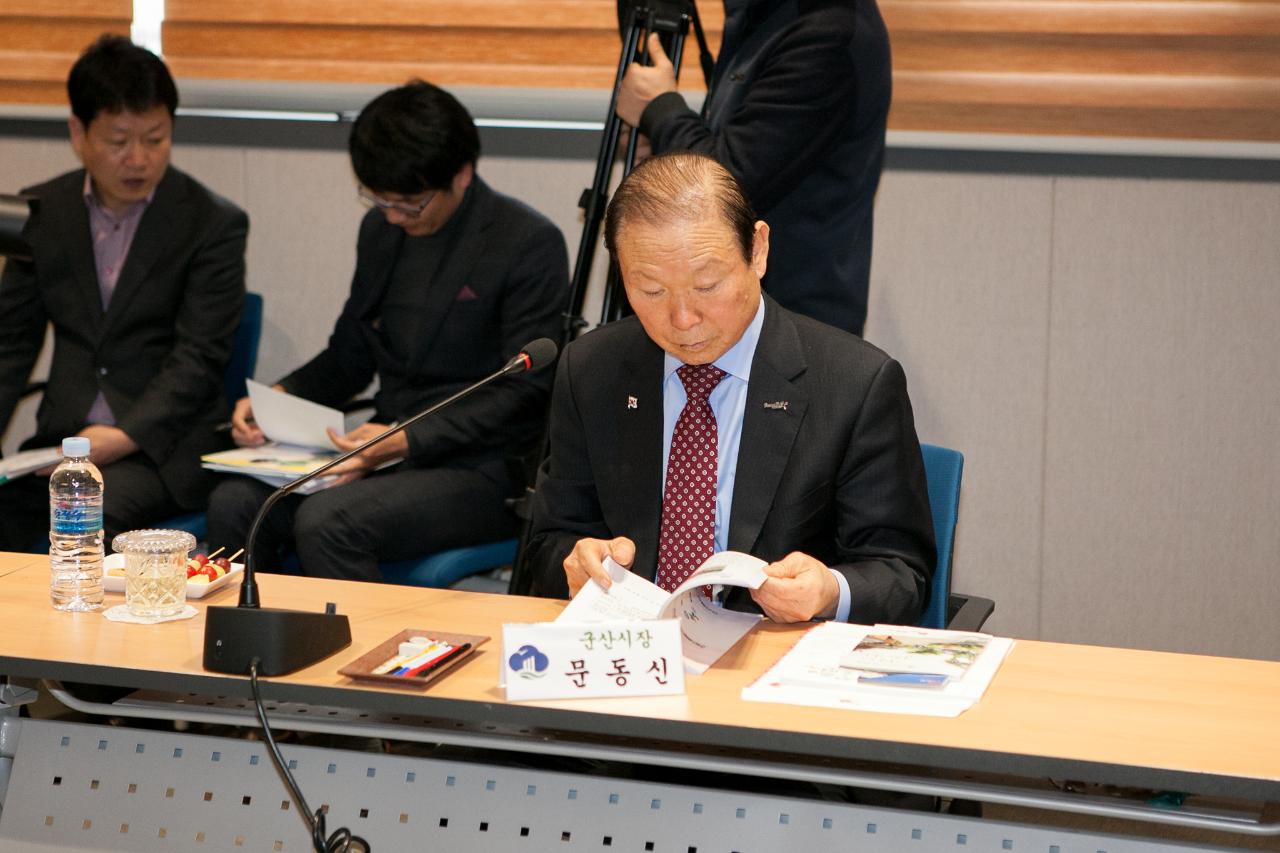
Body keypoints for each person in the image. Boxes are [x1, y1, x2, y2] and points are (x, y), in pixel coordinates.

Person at [526, 152, 932, 625]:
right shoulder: (591, 369)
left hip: (772, 658)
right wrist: (576, 563)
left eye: (707, 285)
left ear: (757, 250)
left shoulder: (854, 383)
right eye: (651, 291)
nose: (682, 319)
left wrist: (828, 591)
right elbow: (550, 543)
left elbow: (901, 575)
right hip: (636, 658)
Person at [206, 81, 569, 582]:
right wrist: (277, 396)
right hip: (381, 448)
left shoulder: (527, 243)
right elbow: (351, 354)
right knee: (237, 503)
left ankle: (357, 656)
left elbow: (522, 395)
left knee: (327, 521)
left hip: (480, 469)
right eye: (380, 201)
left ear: (462, 174)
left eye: (410, 203)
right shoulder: (380, 232)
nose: (395, 216)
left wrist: (405, 440)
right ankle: (258, 644)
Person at [0, 34, 248, 550]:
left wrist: (126, 434)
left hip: (161, 451)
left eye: (155, 139)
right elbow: (10, 344)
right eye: (119, 142)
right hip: (63, 443)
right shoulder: (40, 213)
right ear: (78, 133)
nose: (138, 158)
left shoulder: (211, 223)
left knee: (82, 514)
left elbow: (199, 357)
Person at [615, 0, 891, 337]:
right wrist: (658, 144)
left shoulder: (828, 31)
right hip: (742, 312)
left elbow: (728, 184)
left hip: (794, 327)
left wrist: (660, 110)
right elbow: (740, 143)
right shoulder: (764, 14)